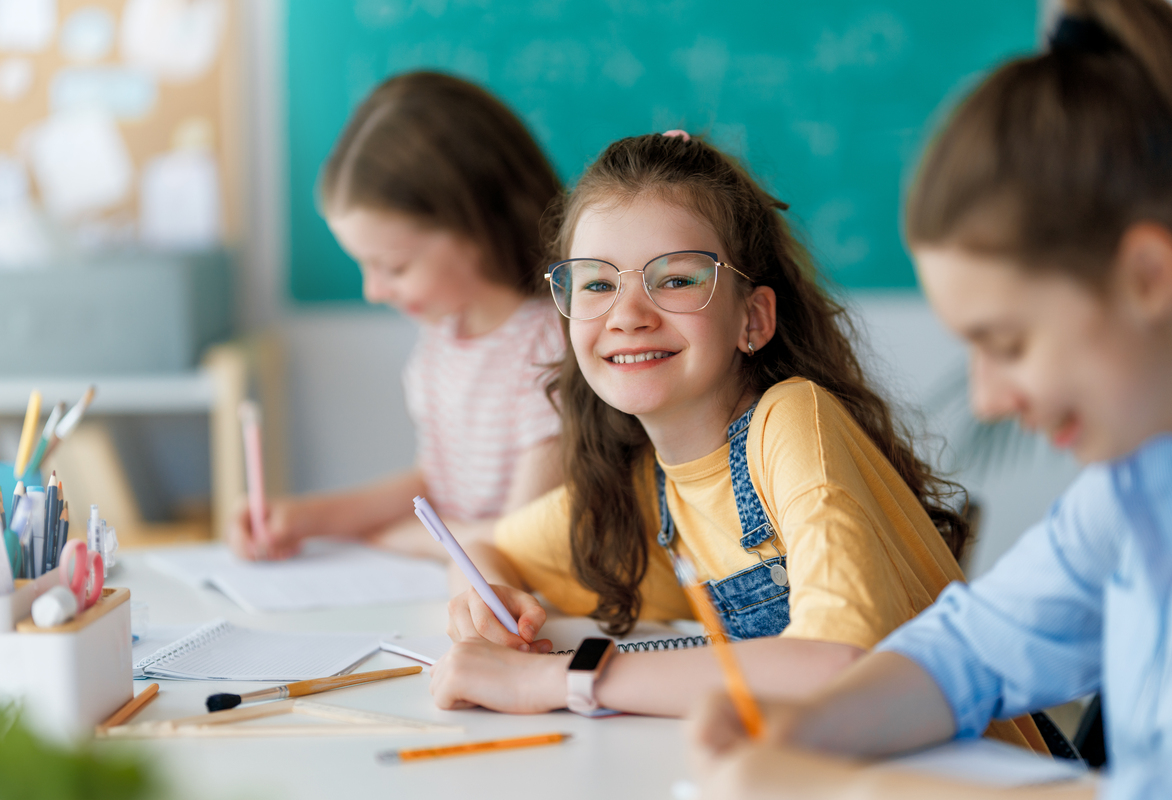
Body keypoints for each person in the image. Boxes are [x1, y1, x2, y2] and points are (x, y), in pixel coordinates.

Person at [690, 1, 1172, 797]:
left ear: (1148, 278)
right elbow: (978, 649)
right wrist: (805, 728)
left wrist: (847, 788)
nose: (990, 399)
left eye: (1006, 343)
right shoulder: (1139, 488)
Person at [426, 131, 1042, 750]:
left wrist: (557, 679)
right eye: (595, 283)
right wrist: (482, 610)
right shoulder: (648, 486)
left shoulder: (791, 421)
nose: (627, 313)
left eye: (676, 279)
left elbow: (838, 663)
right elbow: (482, 546)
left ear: (753, 318)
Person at [227, 72, 565, 561]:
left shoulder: (550, 346)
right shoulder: (444, 337)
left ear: (476, 222)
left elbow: (521, 540)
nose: (373, 290)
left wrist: (392, 538)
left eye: (394, 267)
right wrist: (304, 519)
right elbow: (436, 482)